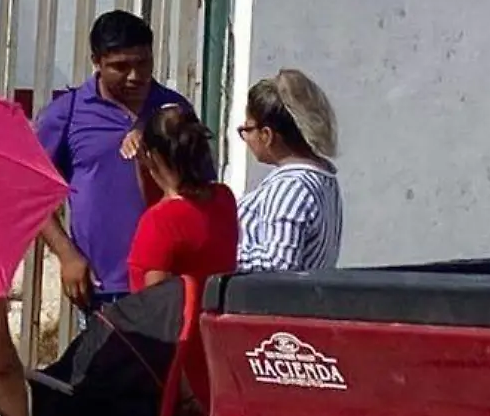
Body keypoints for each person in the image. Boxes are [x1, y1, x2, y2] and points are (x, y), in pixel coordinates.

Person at [35, 11, 193, 312]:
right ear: (97, 62)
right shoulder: (66, 114)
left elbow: (200, 189)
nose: (135, 76)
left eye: (143, 63)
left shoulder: (175, 111)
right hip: (103, 289)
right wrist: (67, 255)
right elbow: (33, 192)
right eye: (121, 67)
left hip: (170, 284)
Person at [235, 70, 343, 273]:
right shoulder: (322, 179)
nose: (246, 137)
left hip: (267, 303)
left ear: (266, 135)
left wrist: (217, 252)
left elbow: (278, 264)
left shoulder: (290, 187)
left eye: (248, 129)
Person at [127, 106, 238, 292]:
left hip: (175, 319)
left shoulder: (159, 221)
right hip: (212, 316)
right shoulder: (224, 198)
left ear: (151, 156)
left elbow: (157, 304)